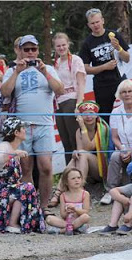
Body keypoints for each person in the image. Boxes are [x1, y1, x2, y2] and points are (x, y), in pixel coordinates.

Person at [1, 35, 64, 213]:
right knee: (25, 167)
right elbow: (4, 92)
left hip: (44, 125)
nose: (30, 53)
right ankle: (30, 207)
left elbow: (60, 90)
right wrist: (16, 72)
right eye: (26, 49)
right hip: (22, 127)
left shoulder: (49, 68)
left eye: (33, 49)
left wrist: (45, 72)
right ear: (20, 51)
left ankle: (44, 207)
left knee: (46, 166)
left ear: (38, 51)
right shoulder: (12, 69)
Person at [0, 117, 45, 234]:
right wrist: (12, 154)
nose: (25, 130)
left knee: (27, 188)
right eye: (23, 128)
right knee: (27, 187)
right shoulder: (3, 146)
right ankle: (12, 223)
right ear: (16, 133)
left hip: (5, 191)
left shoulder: (13, 149)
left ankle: (26, 223)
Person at [102, 79, 132, 205]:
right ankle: (111, 191)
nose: (127, 94)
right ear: (119, 95)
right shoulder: (116, 111)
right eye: (123, 92)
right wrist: (123, 149)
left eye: (130, 91)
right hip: (124, 147)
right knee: (114, 156)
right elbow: (114, 137)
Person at [51, 101, 110, 201]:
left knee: (82, 153)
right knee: (76, 158)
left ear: (96, 115)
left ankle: (78, 190)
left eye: (91, 113)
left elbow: (88, 147)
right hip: (87, 168)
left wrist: (83, 127)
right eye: (85, 114)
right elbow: (80, 152)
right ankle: (58, 192)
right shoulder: (79, 131)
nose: (88, 117)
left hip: (102, 169)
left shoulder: (102, 128)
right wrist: (75, 153)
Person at [79, 8, 131, 117]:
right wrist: (104, 67)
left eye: (97, 22)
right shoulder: (87, 43)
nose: (96, 25)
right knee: (104, 116)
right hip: (101, 84)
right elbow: (86, 69)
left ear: (103, 20)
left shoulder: (114, 35)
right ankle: (107, 134)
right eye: (92, 23)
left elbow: (127, 58)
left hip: (119, 78)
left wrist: (119, 48)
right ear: (88, 25)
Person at [52, 32, 87, 167]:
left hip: (71, 100)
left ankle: (81, 172)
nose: (61, 48)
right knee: (65, 141)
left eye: (63, 45)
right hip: (58, 103)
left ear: (68, 45)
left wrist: (79, 103)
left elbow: (81, 83)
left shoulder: (75, 60)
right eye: (58, 46)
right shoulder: (55, 64)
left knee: (75, 139)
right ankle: (69, 174)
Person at [45, 167, 91, 235]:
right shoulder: (63, 196)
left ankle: (61, 231)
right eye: (73, 178)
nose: (76, 180)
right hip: (66, 222)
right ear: (66, 182)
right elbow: (63, 215)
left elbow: (86, 211)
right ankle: (74, 229)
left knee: (86, 217)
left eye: (79, 178)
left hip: (79, 220)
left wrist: (75, 209)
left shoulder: (85, 194)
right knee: (49, 218)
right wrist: (67, 212)